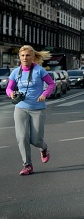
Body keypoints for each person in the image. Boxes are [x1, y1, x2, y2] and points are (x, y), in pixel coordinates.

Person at [6, 45, 55, 176]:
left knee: (36, 140)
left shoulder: (40, 71)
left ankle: (43, 148)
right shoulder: (15, 72)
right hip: (21, 108)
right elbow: (9, 88)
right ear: (19, 57)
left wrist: (45, 94)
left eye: (27, 55)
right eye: (22, 55)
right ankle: (27, 165)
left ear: (33, 57)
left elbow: (51, 84)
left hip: (38, 109)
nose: (25, 58)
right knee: (21, 138)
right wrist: (11, 94)